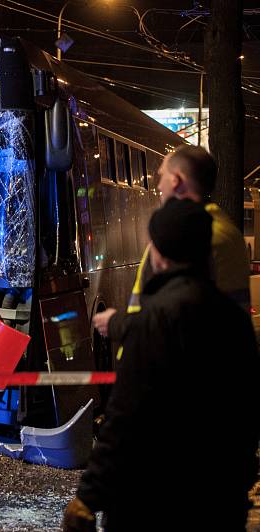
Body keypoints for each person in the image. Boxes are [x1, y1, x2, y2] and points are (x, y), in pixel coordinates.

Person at [63, 198, 260, 532]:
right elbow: (247, 414)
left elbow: (124, 417)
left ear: (159, 254)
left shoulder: (153, 321)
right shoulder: (235, 321)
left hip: (153, 503)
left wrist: (88, 496)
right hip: (220, 503)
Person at [93, 145, 250, 344]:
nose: (158, 186)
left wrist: (117, 323)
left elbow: (173, 314)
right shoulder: (225, 230)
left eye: (162, 176)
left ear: (176, 180)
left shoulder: (192, 236)